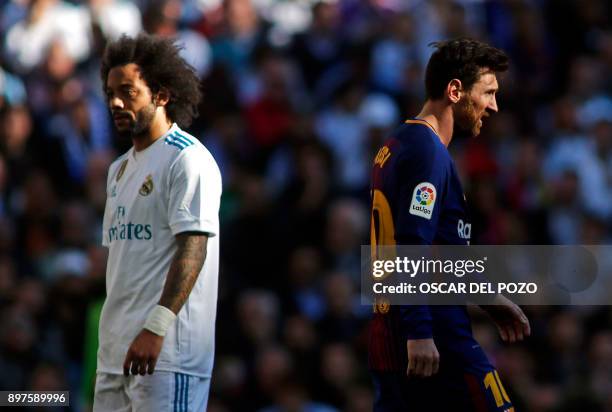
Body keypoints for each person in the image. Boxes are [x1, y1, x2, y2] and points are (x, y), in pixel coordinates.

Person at [368, 38, 530, 411]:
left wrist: (487, 298)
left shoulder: (398, 143)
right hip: (434, 336)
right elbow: (412, 245)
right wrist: (420, 332)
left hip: (393, 331)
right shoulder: (427, 153)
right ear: (455, 90)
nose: (494, 105)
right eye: (487, 93)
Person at [93, 33, 221, 411]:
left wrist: (157, 326)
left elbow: (194, 246)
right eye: (110, 91)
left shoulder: (187, 160)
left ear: (162, 95)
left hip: (167, 355)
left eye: (128, 91)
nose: (115, 101)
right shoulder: (117, 171)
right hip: (115, 353)